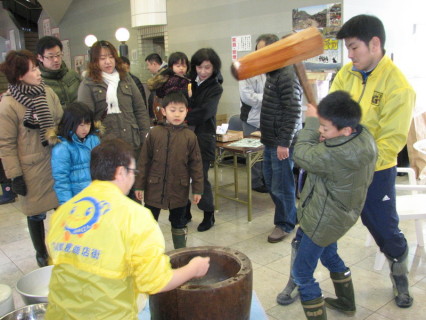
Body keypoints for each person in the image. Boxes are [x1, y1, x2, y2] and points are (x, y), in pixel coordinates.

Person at [45, 139, 210, 319]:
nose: (133, 178)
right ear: (121, 172)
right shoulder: (135, 217)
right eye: (133, 172)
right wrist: (194, 268)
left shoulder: (64, 211)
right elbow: (156, 282)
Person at [330, 14, 416, 308]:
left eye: (354, 48)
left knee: (381, 225)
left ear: (374, 44)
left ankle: (398, 266)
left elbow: (392, 142)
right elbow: (332, 112)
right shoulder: (346, 74)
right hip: (340, 166)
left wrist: (356, 157)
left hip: (375, 171)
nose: (349, 55)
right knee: (318, 220)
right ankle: (300, 277)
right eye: (347, 49)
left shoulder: (399, 87)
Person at [283, 91, 377, 320]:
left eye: (325, 128)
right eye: (320, 126)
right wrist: (324, 124)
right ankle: (346, 303)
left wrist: (312, 119)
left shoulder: (334, 154)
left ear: (345, 130)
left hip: (322, 220)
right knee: (330, 256)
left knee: (302, 273)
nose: (320, 131)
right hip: (338, 214)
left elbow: (301, 153)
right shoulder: (363, 136)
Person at [0, 50, 63, 267]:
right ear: (19, 75)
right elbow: (6, 144)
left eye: (37, 67)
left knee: (64, 211)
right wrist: (14, 175)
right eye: (33, 69)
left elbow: (61, 121)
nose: (38, 72)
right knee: (36, 215)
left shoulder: (47, 92)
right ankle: (41, 254)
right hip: (31, 170)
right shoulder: (9, 104)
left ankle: (66, 250)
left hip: (55, 162)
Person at [134, 92, 203, 249]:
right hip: (154, 187)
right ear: (164, 111)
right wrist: (139, 185)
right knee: (149, 222)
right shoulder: (154, 133)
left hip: (178, 188)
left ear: (187, 111)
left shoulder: (190, 136)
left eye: (181, 110)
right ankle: (148, 254)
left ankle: (180, 253)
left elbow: (196, 165)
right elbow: (144, 161)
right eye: (173, 110)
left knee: (178, 222)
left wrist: (198, 189)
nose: (177, 114)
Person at [259, 33, 302, 243]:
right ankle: (289, 216)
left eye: (264, 51)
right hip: (270, 141)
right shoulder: (272, 73)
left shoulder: (286, 73)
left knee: (282, 185)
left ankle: (285, 224)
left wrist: (284, 142)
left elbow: (293, 110)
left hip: (281, 143)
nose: (260, 55)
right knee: (270, 181)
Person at [77, 40, 150, 160]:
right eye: (102, 58)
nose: (108, 61)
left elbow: (140, 109)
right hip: (105, 147)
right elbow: (85, 118)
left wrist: (144, 137)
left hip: (132, 143)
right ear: (95, 62)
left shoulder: (126, 79)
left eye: (111, 57)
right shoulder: (88, 84)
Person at [235, 34, 279, 193]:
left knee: (268, 151)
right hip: (252, 118)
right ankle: (255, 182)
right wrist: (268, 97)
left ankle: (268, 181)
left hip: (272, 118)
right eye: (258, 50)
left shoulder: (278, 68)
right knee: (254, 152)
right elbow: (247, 97)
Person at [185, 48, 223, 232]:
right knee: (182, 176)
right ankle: (185, 212)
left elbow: (206, 112)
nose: (203, 71)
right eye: (199, 67)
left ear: (214, 67)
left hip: (203, 137)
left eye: (207, 67)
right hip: (184, 136)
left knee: (200, 178)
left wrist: (184, 116)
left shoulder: (215, 87)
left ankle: (209, 214)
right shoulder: (189, 83)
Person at [50, 102, 101, 205]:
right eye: (81, 125)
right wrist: (67, 206)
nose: (85, 129)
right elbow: (61, 180)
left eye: (88, 124)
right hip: (77, 200)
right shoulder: (62, 147)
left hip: (97, 197)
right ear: (70, 123)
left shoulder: (94, 140)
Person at [36, 36, 81, 107]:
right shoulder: (38, 82)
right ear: (40, 58)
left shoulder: (73, 75)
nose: (56, 60)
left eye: (58, 55)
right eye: (51, 56)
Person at [147, 52, 192, 122]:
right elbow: (173, 93)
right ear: (171, 67)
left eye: (184, 66)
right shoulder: (172, 80)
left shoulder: (184, 79)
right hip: (173, 111)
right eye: (178, 66)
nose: (181, 68)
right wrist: (187, 93)